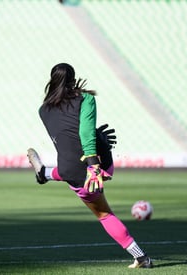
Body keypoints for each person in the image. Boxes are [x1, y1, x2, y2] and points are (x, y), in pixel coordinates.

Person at [27, 63, 153, 268]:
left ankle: (44, 173)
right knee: (105, 214)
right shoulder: (85, 98)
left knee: (71, 174)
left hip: (69, 169)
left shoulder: (43, 110)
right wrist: (94, 165)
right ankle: (142, 258)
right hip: (94, 165)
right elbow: (85, 134)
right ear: (73, 79)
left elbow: (67, 133)